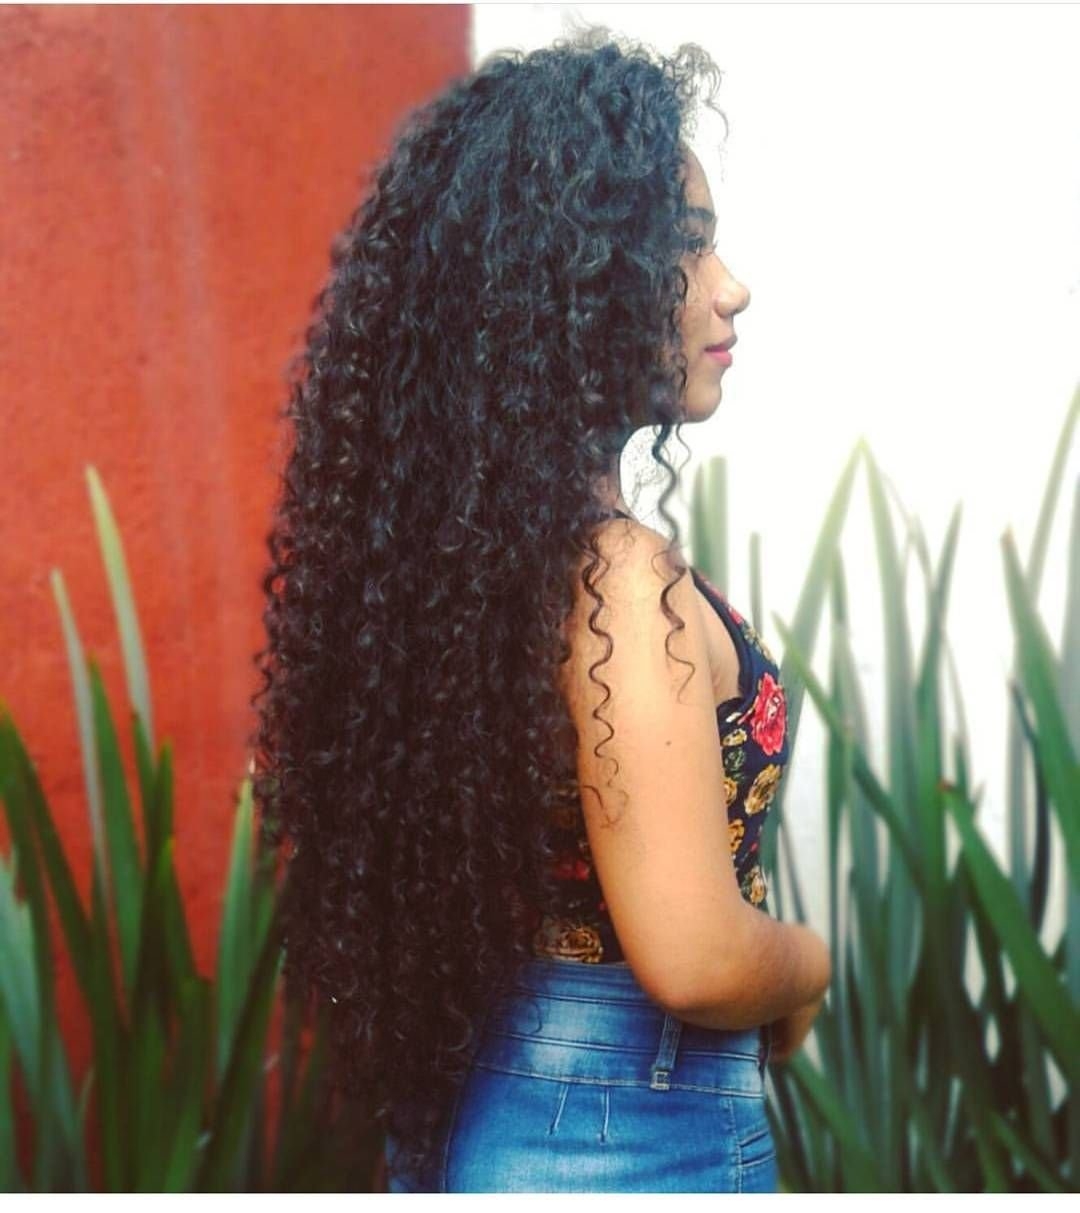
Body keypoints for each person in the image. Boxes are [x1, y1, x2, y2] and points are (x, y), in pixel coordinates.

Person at [249, 26, 831, 1194]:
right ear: (572, 284)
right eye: (687, 246)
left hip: (484, 1110)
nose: (732, 285)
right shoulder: (621, 583)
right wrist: (805, 963)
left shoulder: (470, 578)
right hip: (628, 1137)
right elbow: (697, 958)